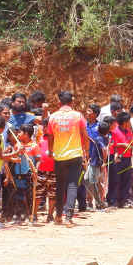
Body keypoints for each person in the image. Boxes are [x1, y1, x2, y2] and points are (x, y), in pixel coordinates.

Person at [46, 91, 87, 226]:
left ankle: (58, 216)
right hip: (75, 155)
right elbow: (84, 135)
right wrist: (86, 152)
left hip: (59, 156)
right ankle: (68, 217)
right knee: (72, 185)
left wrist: (51, 151)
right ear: (72, 102)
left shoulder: (53, 117)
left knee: (60, 186)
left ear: (59, 103)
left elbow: (50, 136)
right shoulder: (78, 116)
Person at [106, 114, 133, 208]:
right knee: (115, 180)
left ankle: (123, 201)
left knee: (126, 180)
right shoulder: (114, 132)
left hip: (127, 158)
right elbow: (112, 144)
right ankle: (113, 201)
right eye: (128, 121)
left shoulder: (129, 132)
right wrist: (122, 145)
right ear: (124, 122)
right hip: (118, 159)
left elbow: (131, 143)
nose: (129, 123)